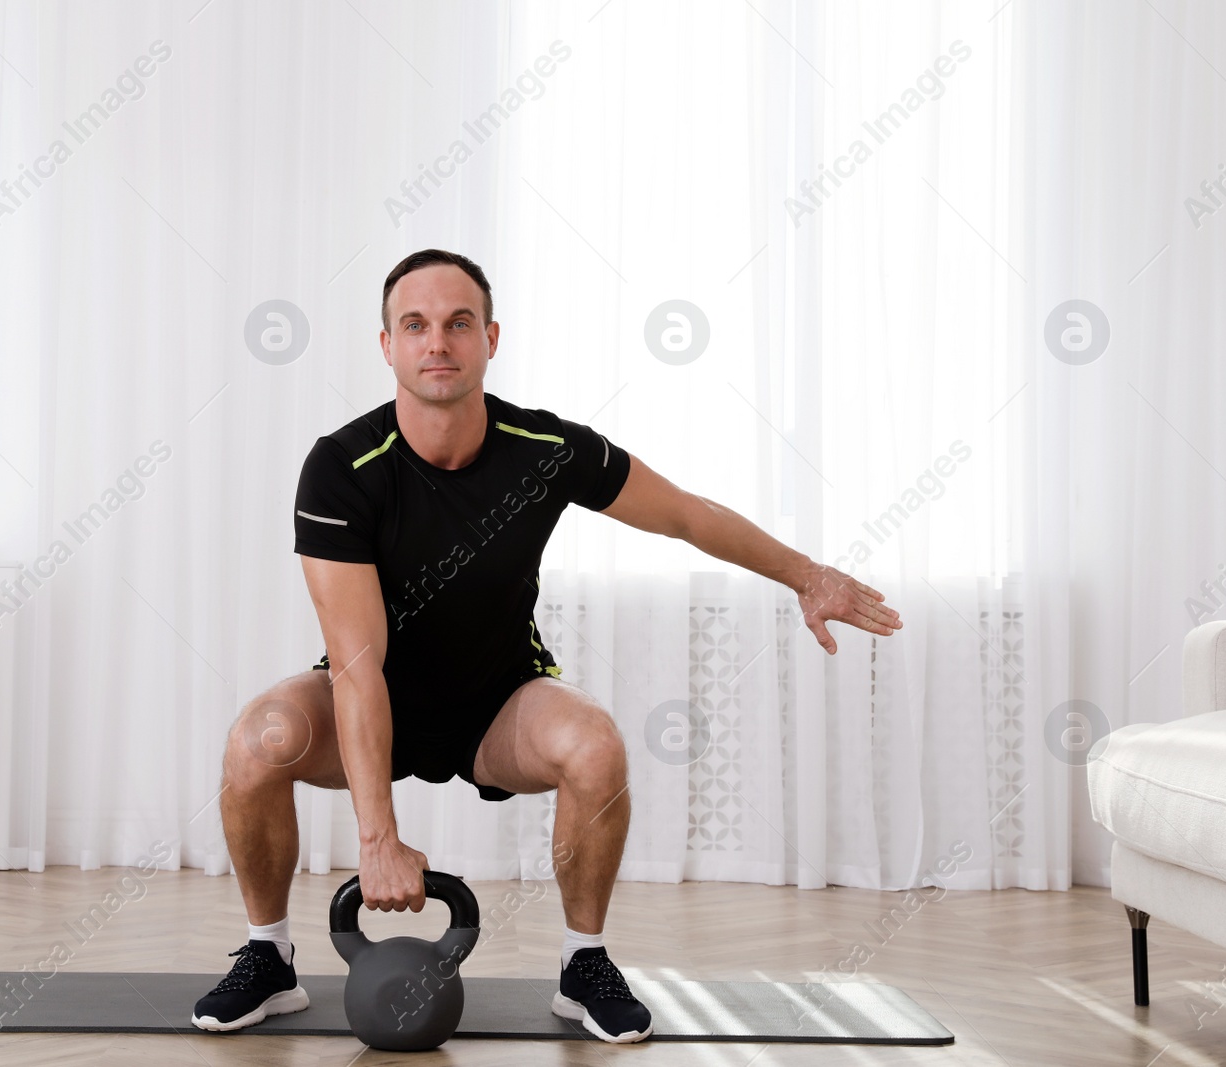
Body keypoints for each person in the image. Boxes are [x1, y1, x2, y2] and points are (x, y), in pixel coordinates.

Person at [193, 249, 903, 1043]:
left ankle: (582, 963)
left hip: (500, 703)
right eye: (416, 325)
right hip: (373, 693)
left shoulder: (545, 448)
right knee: (257, 742)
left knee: (595, 745)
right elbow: (357, 666)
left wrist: (807, 575)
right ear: (386, 345)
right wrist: (377, 840)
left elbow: (686, 515)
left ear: (491, 338)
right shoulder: (342, 468)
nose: (438, 342)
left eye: (459, 323)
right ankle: (270, 956)